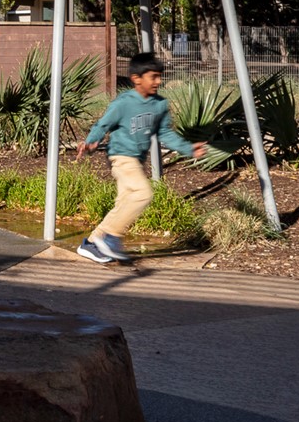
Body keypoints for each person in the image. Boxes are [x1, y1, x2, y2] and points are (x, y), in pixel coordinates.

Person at [74, 52, 206, 264]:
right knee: (144, 193)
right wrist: (91, 142)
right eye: (153, 76)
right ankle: (111, 237)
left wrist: (189, 148)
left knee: (124, 203)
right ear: (137, 78)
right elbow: (103, 125)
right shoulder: (124, 103)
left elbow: (165, 134)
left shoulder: (160, 105)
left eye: (159, 76)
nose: (158, 81)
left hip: (137, 160)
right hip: (120, 157)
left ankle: (91, 243)